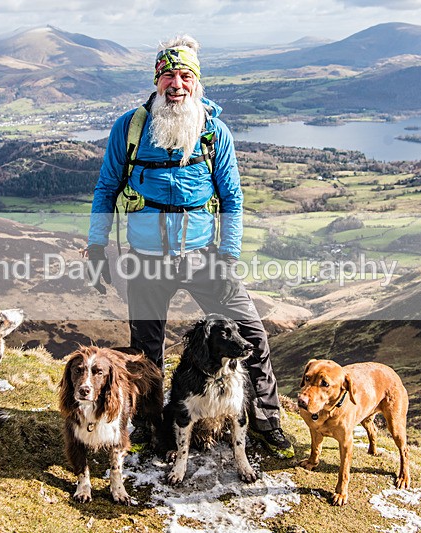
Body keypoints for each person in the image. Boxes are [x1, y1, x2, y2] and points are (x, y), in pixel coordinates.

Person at [84, 35, 293, 458]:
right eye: (168, 76)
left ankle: (266, 419)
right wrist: (95, 246)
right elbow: (106, 187)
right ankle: (146, 422)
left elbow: (232, 199)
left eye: (184, 76)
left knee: (251, 334)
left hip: (204, 257)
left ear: (196, 83)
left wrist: (230, 254)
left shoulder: (215, 133)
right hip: (146, 259)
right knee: (145, 350)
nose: (176, 84)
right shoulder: (130, 128)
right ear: (156, 81)